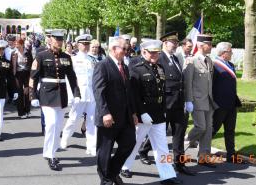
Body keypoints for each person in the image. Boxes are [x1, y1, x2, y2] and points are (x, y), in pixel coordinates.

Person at [120, 40, 181, 185]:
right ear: (143, 52)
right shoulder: (136, 69)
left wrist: (164, 110)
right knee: (134, 143)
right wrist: (140, 113)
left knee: (162, 146)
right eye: (152, 52)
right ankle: (124, 166)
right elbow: (134, 95)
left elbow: (162, 91)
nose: (155, 55)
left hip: (158, 113)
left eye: (157, 52)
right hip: (144, 114)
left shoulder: (160, 68)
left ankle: (167, 175)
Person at [29, 29, 80, 171]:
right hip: (46, 94)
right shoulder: (41, 56)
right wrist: (32, 95)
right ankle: (51, 156)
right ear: (50, 40)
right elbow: (33, 77)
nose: (59, 42)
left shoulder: (66, 57)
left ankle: (49, 151)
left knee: (57, 126)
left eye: (61, 40)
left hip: (61, 94)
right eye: (56, 39)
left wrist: (77, 94)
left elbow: (72, 77)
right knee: (51, 124)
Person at [92, 36, 138, 185]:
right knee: (105, 151)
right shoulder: (102, 65)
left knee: (129, 143)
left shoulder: (124, 66)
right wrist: (105, 113)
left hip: (125, 116)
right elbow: (99, 91)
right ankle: (106, 180)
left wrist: (133, 113)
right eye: (123, 49)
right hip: (109, 116)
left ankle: (111, 173)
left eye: (127, 49)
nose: (126, 51)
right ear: (113, 49)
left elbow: (128, 92)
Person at [184, 34, 219, 168]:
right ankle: (186, 140)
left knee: (208, 129)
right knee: (201, 127)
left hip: (209, 100)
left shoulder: (209, 61)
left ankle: (204, 157)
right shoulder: (191, 61)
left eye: (211, 44)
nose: (211, 46)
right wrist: (188, 101)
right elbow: (188, 83)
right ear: (200, 45)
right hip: (196, 101)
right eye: (208, 44)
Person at [61, 34, 97, 156]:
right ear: (77, 45)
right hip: (79, 94)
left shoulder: (92, 60)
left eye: (88, 44)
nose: (86, 46)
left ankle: (91, 146)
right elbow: (70, 79)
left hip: (91, 94)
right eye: (84, 44)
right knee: (73, 118)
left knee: (92, 121)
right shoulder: (73, 59)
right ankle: (65, 138)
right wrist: (72, 95)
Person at [212, 42, 241, 163]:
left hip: (231, 103)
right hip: (219, 104)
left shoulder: (231, 65)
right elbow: (211, 86)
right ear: (224, 53)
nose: (232, 53)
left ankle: (231, 155)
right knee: (213, 129)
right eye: (230, 51)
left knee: (230, 130)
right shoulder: (214, 65)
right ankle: (202, 152)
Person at [11, 39, 33, 118]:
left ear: (22, 44)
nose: (16, 45)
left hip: (26, 73)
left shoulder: (27, 52)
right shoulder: (14, 53)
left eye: (18, 44)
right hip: (18, 74)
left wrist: (31, 75)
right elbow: (12, 65)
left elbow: (31, 64)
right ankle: (21, 112)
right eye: (15, 44)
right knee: (19, 92)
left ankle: (27, 110)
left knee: (27, 92)